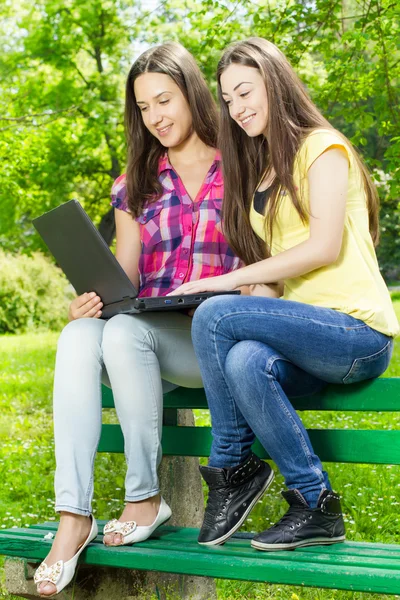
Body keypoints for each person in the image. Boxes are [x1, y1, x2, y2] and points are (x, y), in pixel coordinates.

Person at [170, 37, 399, 551]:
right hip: (307, 329)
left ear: (274, 83)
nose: (237, 107)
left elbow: (321, 247)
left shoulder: (323, 147)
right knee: (245, 360)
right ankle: (317, 504)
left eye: (246, 91)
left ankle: (231, 467)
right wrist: (255, 290)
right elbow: (283, 274)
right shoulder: (263, 172)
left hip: (356, 331)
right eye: (228, 99)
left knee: (215, 313)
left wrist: (225, 286)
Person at [34, 42, 241, 597]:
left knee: (124, 331)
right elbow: (124, 272)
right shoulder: (136, 181)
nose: (157, 117)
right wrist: (93, 295)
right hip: (142, 335)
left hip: (213, 336)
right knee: (83, 333)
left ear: (194, 94)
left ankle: (144, 496)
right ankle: (73, 517)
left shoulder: (243, 162)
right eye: (145, 107)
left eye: (165, 100)